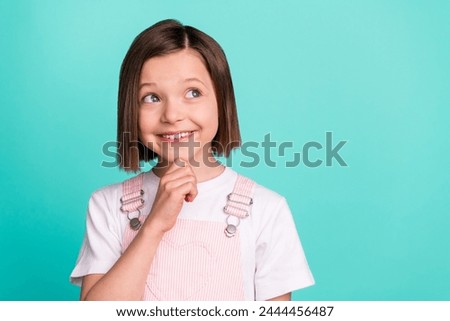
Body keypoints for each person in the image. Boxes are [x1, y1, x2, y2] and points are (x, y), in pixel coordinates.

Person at [70, 19, 314, 301]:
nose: (172, 115)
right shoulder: (108, 206)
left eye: (193, 93)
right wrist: (153, 226)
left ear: (222, 102)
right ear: (130, 109)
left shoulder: (267, 210)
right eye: (151, 97)